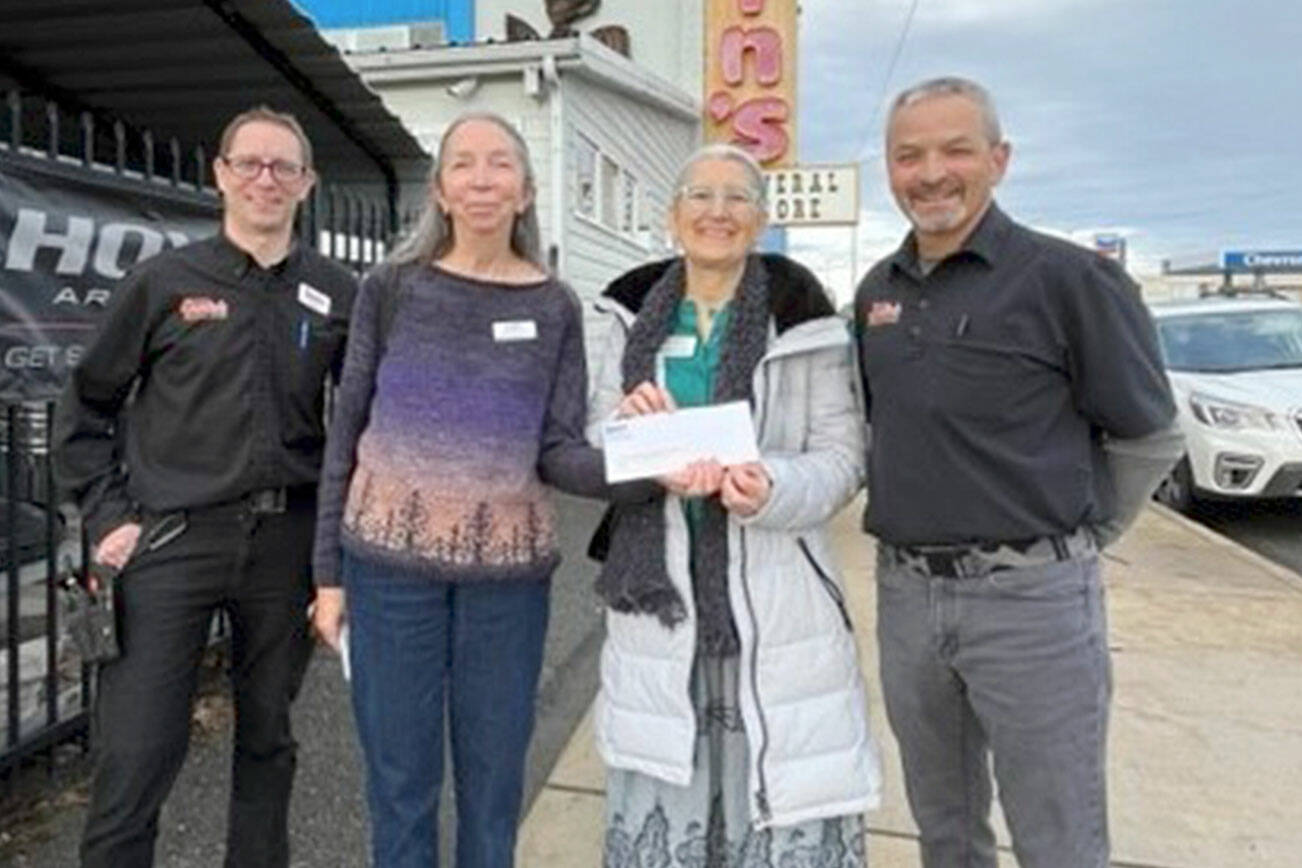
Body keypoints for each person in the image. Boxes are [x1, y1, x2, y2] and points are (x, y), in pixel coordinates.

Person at [854, 77, 1185, 867]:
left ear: (998, 159)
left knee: (1057, 834)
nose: (931, 172)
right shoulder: (875, 296)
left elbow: (1149, 437)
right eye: (910, 155)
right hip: (908, 601)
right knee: (946, 828)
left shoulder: (1070, 280)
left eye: (955, 149)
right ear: (890, 171)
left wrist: (1082, 534)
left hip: (1031, 607)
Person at [310, 111, 625, 868]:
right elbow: (345, 432)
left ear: (525, 190)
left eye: (500, 164)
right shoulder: (390, 289)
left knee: (492, 790)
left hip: (506, 592)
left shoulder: (554, 306)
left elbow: (558, 451)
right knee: (399, 784)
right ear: (441, 191)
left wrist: (653, 468)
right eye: (463, 165)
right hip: (386, 576)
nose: (482, 179)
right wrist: (327, 574)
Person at [53, 106, 357, 867]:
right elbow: (86, 405)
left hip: (285, 543)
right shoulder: (162, 282)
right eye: (249, 163)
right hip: (171, 541)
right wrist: (107, 515)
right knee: (138, 751)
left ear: (307, 183)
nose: (266, 178)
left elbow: (366, 420)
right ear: (220, 174)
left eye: (283, 166)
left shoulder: (336, 292)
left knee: (269, 740)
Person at [587, 143, 881, 867]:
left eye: (737, 197)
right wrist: (633, 439)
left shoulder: (807, 321)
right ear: (671, 216)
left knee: (779, 789)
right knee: (668, 795)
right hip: (660, 604)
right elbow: (592, 441)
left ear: (762, 219)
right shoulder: (624, 317)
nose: (717, 211)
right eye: (700, 195)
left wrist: (771, 488)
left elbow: (844, 458)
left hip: (778, 604)